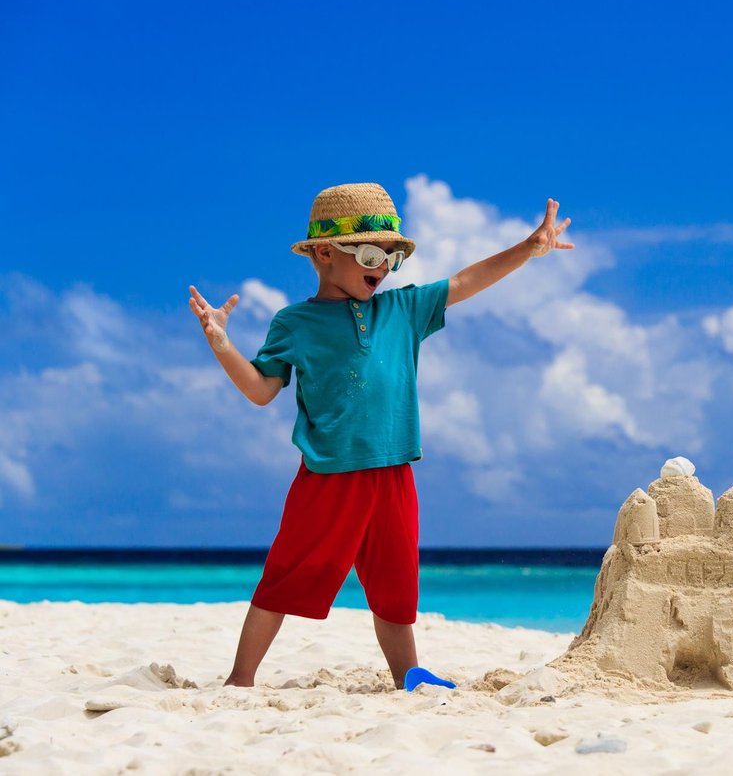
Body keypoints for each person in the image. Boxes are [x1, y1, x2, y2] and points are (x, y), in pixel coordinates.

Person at [187, 182, 572, 689]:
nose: (384, 265)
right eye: (372, 253)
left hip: (393, 471)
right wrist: (221, 344)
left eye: (393, 256)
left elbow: (465, 280)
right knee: (285, 576)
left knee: (396, 584)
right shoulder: (295, 322)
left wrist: (529, 247)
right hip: (327, 475)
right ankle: (241, 678)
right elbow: (261, 391)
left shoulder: (402, 311)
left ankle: (407, 675)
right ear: (325, 254)